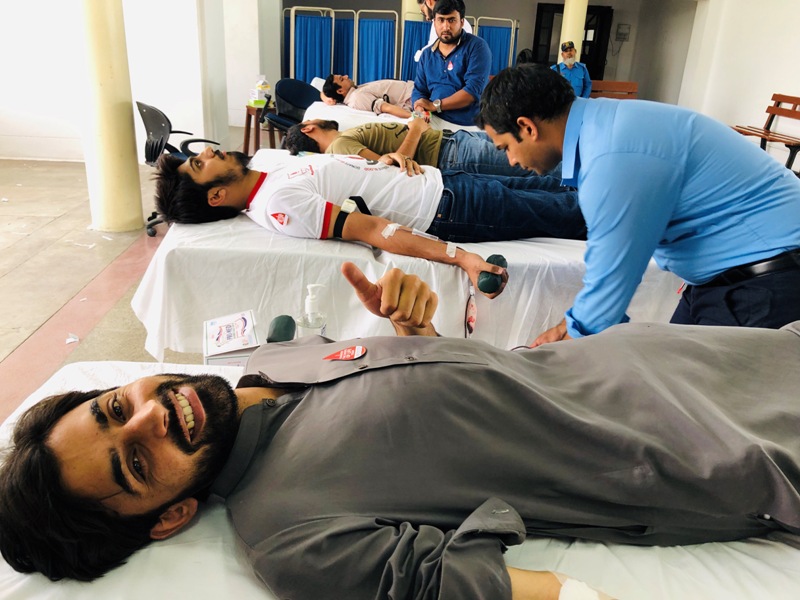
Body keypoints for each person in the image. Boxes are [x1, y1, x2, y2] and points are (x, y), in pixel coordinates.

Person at [3, 263, 800, 600]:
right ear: (171, 515)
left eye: (115, 408)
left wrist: (416, 333)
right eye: (137, 463)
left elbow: (450, 404)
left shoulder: (267, 362)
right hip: (709, 443)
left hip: (661, 351)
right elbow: (471, 586)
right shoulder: (288, 535)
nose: (151, 416)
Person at [477, 64, 800, 345]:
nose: (512, 161)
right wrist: (571, 325)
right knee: (658, 373)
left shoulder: (611, 156)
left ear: (527, 127)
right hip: (724, 277)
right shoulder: (605, 125)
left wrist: (570, 334)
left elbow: (608, 295)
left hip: (766, 279)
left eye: (505, 148)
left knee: (679, 391)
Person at [151, 146, 586, 297]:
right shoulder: (279, 205)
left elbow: (343, 174)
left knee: (555, 187)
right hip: (449, 210)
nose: (208, 152)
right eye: (200, 163)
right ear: (216, 196)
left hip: (439, 179)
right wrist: (463, 258)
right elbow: (376, 230)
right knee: (572, 213)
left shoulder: (268, 166)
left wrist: (384, 161)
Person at [284, 117, 543, 178]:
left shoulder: (343, 138)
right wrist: (416, 129)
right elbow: (390, 169)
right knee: (536, 161)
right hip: (450, 154)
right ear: (308, 128)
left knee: (533, 151)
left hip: (452, 142)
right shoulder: (339, 147)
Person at [412, 0, 490, 126]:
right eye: (441, 20)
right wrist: (419, 107)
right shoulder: (427, 55)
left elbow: (472, 91)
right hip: (433, 119)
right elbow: (419, 90)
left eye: (451, 20)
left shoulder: (477, 47)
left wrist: (435, 105)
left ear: (462, 22)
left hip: (465, 125)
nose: (446, 27)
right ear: (434, 22)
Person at [320, 74, 414, 119]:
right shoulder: (357, 97)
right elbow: (386, 107)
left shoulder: (353, 91)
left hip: (412, 90)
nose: (346, 76)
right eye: (342, 79)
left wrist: (324, 96)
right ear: (340, 91)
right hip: (411, 96)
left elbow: (323, 90)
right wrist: (415, 117)